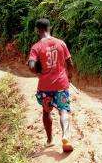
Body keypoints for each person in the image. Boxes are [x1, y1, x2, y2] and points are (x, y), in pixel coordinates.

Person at [27, 18, 74, 152]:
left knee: (46, 111)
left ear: (37, 30)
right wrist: (69, 77)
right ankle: (66, 136)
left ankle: (49, 140)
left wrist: (37, 70)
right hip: (61, 84)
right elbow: (70, 63)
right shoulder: (61, 43)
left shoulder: (36, 47)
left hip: (44, 87)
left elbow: (31, 65)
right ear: (50, 28)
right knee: (63, 109)